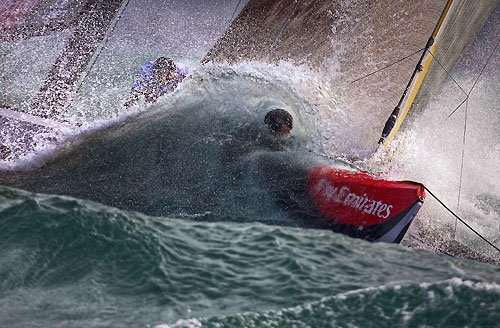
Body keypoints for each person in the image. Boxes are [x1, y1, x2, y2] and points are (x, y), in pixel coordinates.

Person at [124, 56, 188, 107]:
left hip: (164, 73)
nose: (169, 78)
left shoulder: (180, 69)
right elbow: (135, 92)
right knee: (151, 98)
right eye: (167, 77)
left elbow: (191, 77)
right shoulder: (147, 73)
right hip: (153, 81)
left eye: (171, 75)